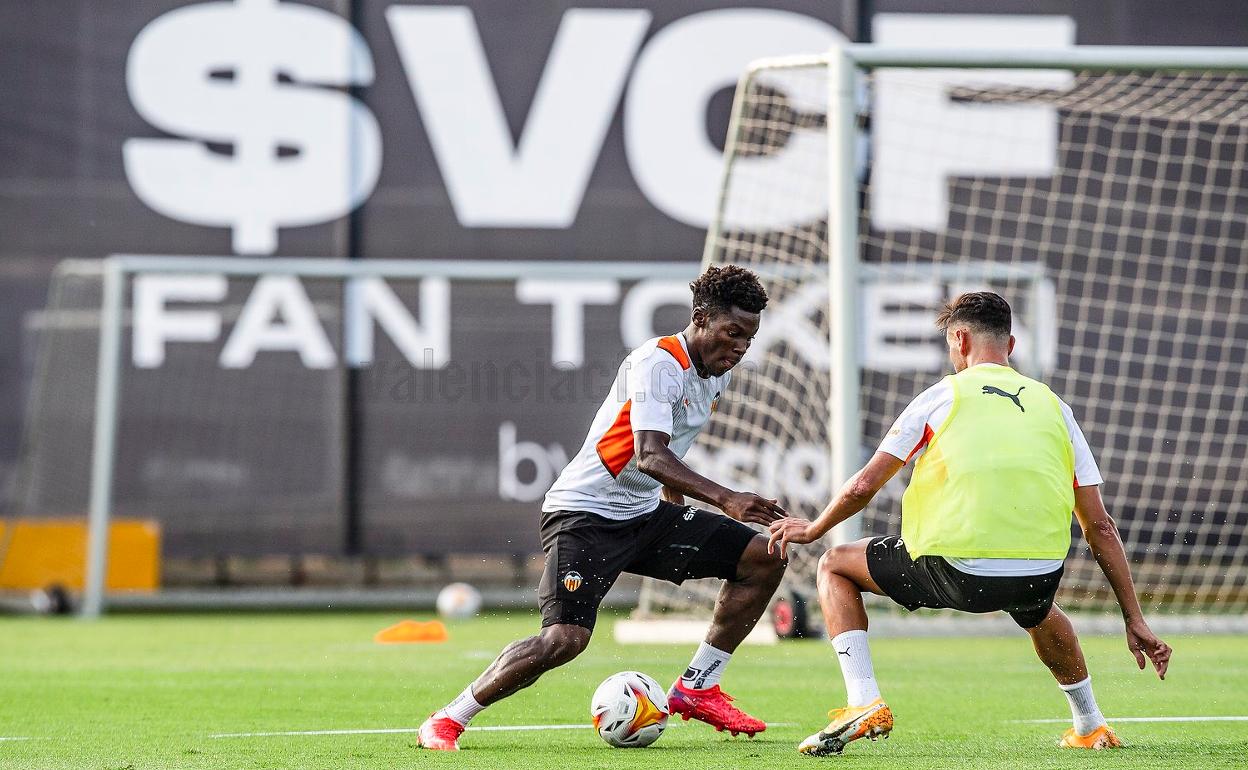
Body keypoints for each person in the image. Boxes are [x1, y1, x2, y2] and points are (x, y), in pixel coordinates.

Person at [767, 291, 1173, 756]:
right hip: (1037, 574)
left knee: (835, 564)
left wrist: (813, 528)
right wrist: (1134, 618)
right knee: (1042, 613)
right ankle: (1091, 725)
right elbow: (1100, 527)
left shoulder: (941, 396)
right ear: (1011, 345)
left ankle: (863, 700)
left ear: (959, 339)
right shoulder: (1056, 408)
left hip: (956, 571)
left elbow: (863, 487)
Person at [418, 265, 789, 750]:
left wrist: (675, 509)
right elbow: (650, 454)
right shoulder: (657, 363)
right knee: (564, 641)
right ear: (700, 319)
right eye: (733, 334)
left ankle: (697, 687)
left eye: (749, 338)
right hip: (584, 516)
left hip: (644, 515)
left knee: (764, 556)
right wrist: (727, 499)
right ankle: (449, 718)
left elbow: (669, 454)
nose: (740, 348)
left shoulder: (713, 375)